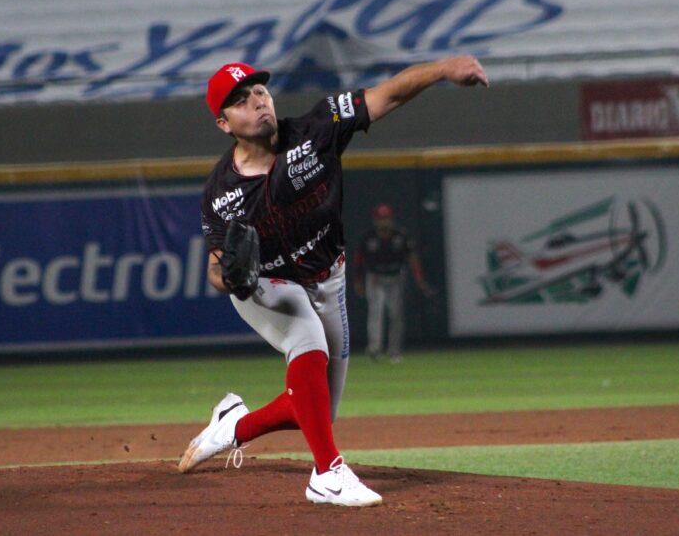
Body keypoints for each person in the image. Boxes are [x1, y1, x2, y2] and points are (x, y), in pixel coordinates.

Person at [180, 56, 488, 507]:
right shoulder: (220, 193)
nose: (257, 103)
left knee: (319, 409)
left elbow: (389, 96)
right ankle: (327, 474)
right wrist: (230, 279)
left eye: (259, 92)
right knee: (307, 343)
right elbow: (216, 267)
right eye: (241, 102)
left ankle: (232, 426)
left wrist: (443, 69)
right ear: (224, 123)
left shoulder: (318, 128)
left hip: (329, 277)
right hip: (270, 285)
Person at [353, 203, 432, 363]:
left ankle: (394, 350)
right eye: (381, 219)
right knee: (376, 311)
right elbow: (358, 260)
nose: (384, 222)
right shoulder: (369, 238)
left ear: (391, 219)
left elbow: (412, 257)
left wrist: (419, 278)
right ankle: (375, 347)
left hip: (395, 277)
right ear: (375, 220)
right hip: (375, 278)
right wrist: (358, 281)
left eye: (386, 218)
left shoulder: (400, 236)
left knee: (396, 314)